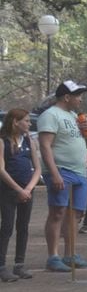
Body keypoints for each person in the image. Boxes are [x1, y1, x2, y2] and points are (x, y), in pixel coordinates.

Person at [38, 80, 87, 271]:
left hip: (79, 170)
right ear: (66, 97)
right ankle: (53, 257)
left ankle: (70, 254)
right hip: (61, 170)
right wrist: (54, 174)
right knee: (58, 212)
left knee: (75, 214)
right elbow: (45, 146)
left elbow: (83, 142)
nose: (80, 99)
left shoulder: (73, 115)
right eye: (77, 95)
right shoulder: (50, 115)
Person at [0, 109, 41, 281]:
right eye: (26, 121)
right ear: (15, 122)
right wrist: (18, 189)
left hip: (27, 191)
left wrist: (29, 188)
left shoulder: (29, 141)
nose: (29, 124)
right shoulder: (2, 142)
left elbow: (37, 168)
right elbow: (1, 169)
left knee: (23, 227)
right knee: (7, 227)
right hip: (8, 190)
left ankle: (19, 264)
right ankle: (2, 266)